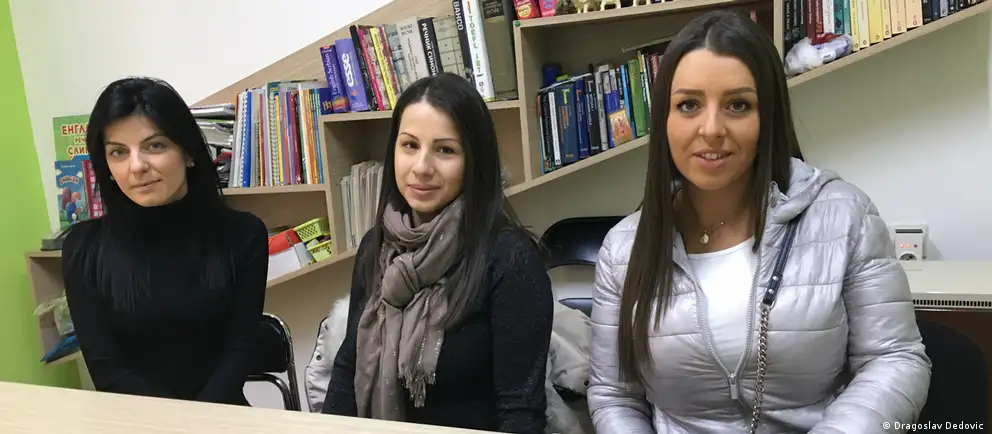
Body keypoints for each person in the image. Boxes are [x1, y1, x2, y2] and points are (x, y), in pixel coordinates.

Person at [588, 11, 931, 434]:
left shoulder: (844, 216)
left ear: (767, 116)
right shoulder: (623, 249)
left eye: (738, 105)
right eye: (689, 105)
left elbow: (895, 359)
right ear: (664, 120)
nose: (711, 129)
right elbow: (614, 395)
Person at [321, 73, 554, 433]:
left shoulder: (510, 259)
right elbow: (347, 370)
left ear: (474, 160)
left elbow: (520, 411)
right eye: (409, 145)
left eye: (445, 150)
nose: (421, 167)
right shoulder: (376, 245)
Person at [62, 77, 269, 405]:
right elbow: (107, 370)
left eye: (154, 146)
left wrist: (196, 422)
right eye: (118, 152)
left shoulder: (244, 234)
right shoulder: (84, 248)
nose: (137, 166)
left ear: (188, 152)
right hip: (136, 419)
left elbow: (239, 350)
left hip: (221, 415)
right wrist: (174, 424)